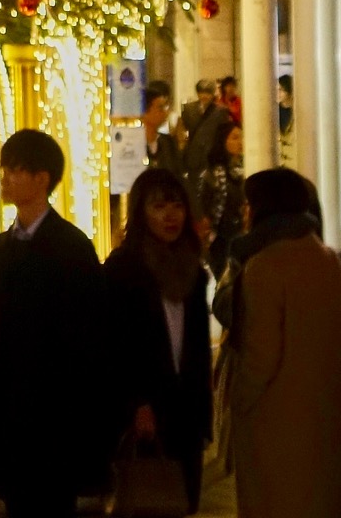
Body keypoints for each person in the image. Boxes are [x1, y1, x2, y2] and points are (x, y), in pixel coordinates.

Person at [0, 127, 109, 516]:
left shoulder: (72, 247)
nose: (5, 178)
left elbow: (89, 334)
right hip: (6, 407)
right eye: (5, 169)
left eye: (15, 170)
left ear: (42, 179)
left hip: (55, 411)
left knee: (51, 500)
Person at [223, 167, 341, 518]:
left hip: (277, 421)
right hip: (324, 416)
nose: (245, 211)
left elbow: (261, 356)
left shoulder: (263, 266)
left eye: (249, 204)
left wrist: (238, 398)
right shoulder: (325, 258)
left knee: (277, 501)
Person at [106, 165, 214, 514]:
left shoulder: (193, 270)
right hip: (144, 410)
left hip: (186, 409)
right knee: (147, 502)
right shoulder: (124, 269)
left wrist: (203, 415)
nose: (171, 216)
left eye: (177, 206)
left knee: (182, 501)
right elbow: (117, 345)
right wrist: (136, 403)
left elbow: (197, 349)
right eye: (159, 207)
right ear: (141, 213)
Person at [198, 119, 248, 271]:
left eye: (241, 137)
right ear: (223, 141)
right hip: (221, 239)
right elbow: (207, 207)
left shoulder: (242, 171)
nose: (240, 142)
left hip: (240, 235)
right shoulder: (214, 174)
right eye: (234, 137)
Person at [141, 81, 185, 178]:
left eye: (165, 107)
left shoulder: (168, 142)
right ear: (145, 112)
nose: (165, 113)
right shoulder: (135, 143)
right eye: (160, 108)